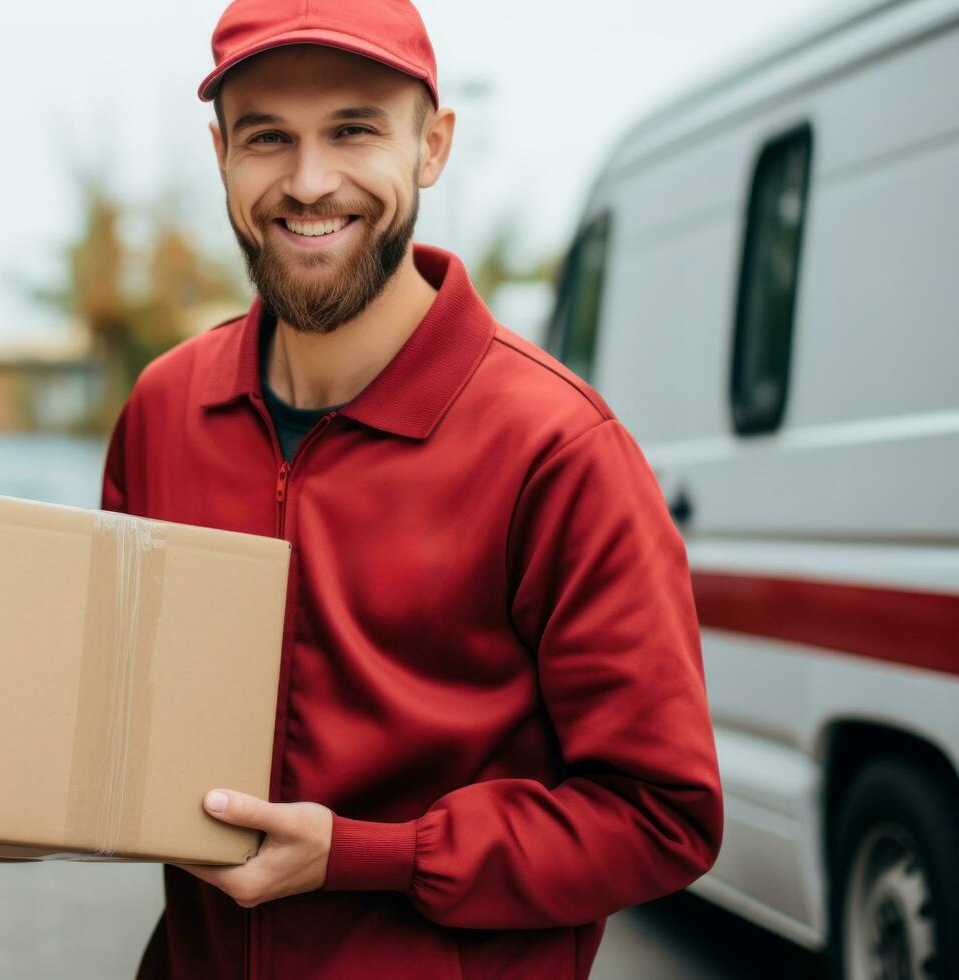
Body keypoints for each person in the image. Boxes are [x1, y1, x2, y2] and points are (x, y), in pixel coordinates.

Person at [99, 1, 724, 976]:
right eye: (268, 137)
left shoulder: (557, 446)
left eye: (354, 129)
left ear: (432, 145)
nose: (309, 183)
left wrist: (370, 854)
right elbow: (115, 724)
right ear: (221, 153)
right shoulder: (164, 408)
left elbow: (661, 816)